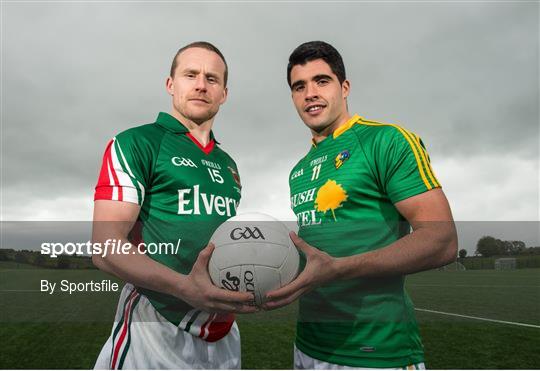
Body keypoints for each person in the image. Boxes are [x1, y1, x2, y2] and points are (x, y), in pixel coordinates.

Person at [264, 41, 458, 369]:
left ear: (345, 87)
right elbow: (317, 252)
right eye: (299, 86)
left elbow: (442, 242)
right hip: (308, 346)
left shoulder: (386, 141)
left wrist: (339, 269)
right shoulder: (299, 170)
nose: (310, 93)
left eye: (321, 81)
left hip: (377, 350)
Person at [91, 41, 256, 370]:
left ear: (224, 93)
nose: (200, 84)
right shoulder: (136, 142)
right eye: (190, 74)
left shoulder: (229, 165)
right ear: (171, 84)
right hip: (154, 325)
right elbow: (105, 247)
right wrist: (184, 287)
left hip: (223, 333)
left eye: (212, 78)